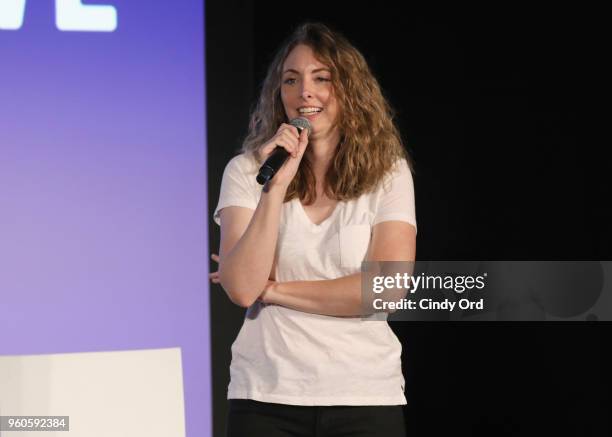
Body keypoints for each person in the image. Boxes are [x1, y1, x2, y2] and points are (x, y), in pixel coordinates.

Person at [210, 22, 416, 437]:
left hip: (364, 396)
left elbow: (387, 290)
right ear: (279, 93)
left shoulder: (389, 174)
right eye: (291, 80)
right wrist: (275, 188)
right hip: (266, 395)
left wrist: (274, 290)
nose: (305, 92)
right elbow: (241, 289)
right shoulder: (248, 170)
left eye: (321, 78)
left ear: (349, 90)